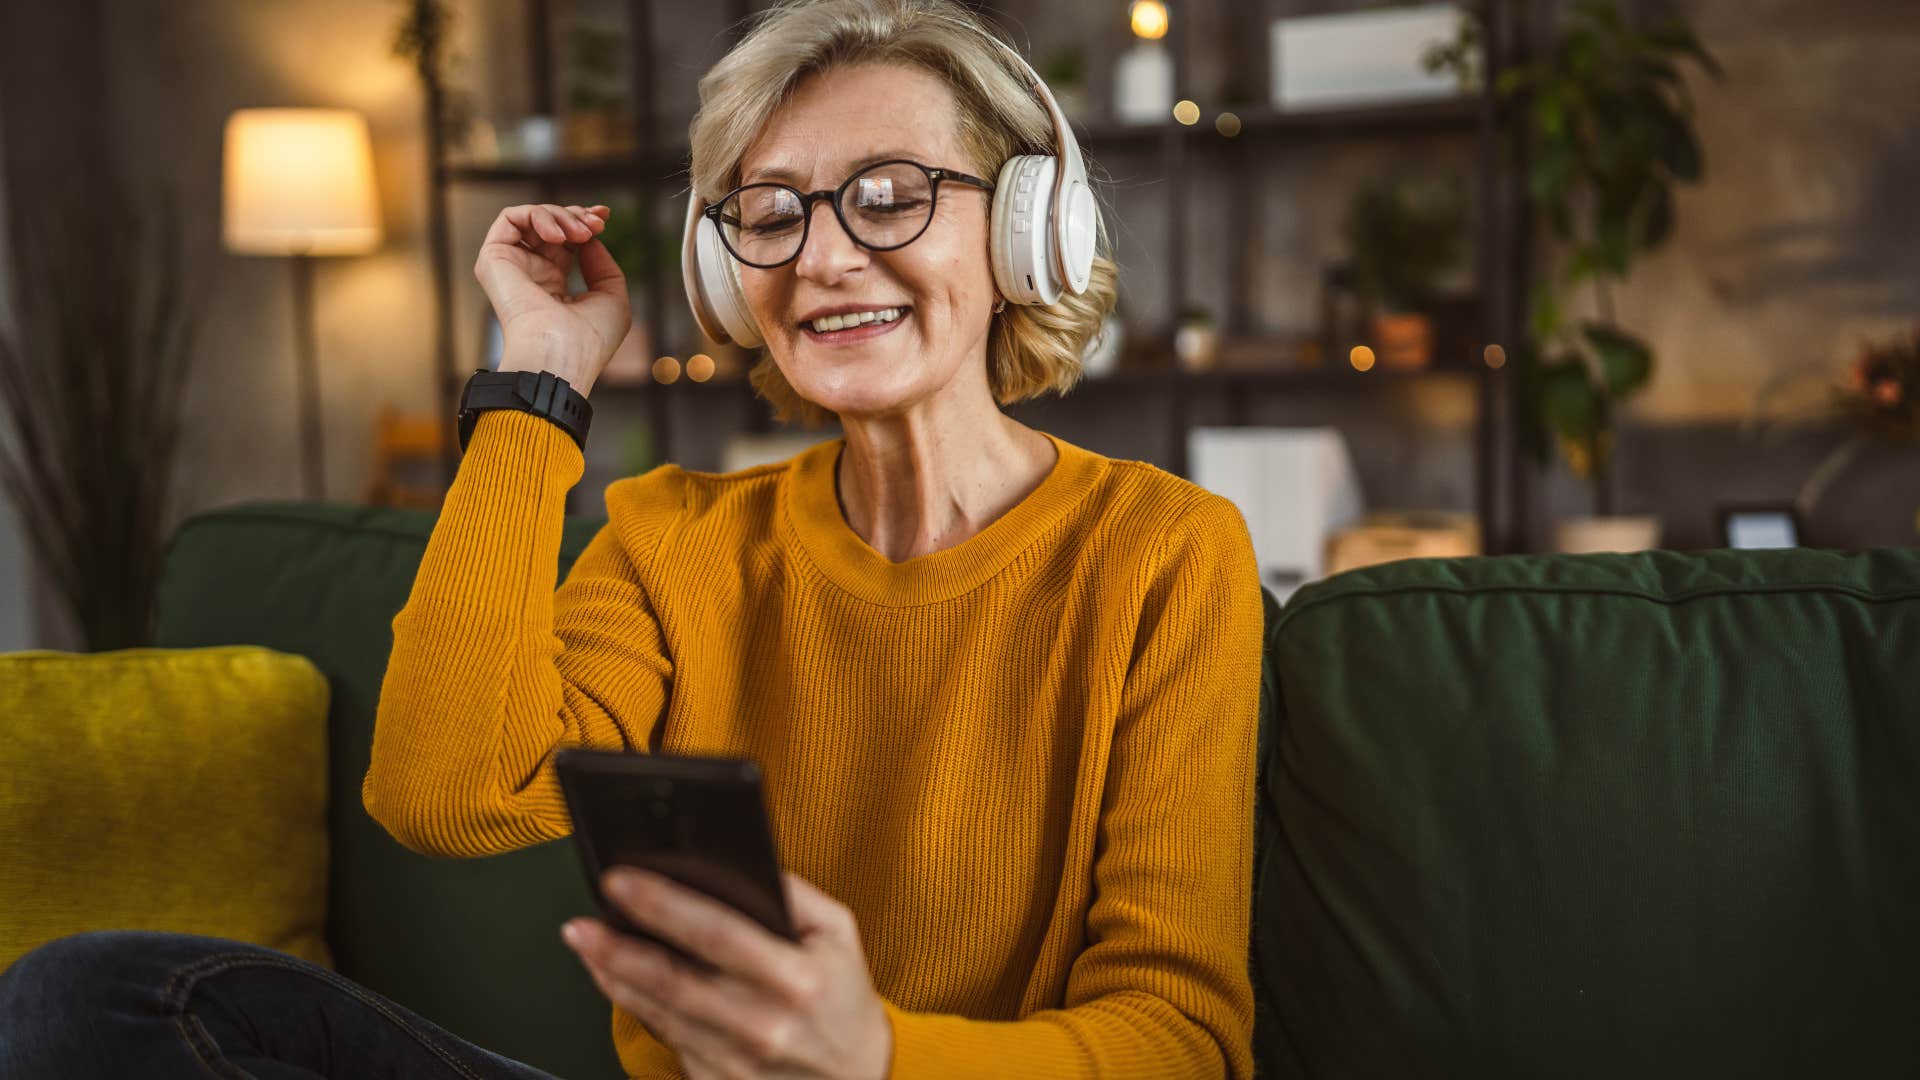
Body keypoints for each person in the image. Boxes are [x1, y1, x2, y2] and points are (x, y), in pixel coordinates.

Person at [0, 0, 1262, 1076]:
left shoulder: (1163, 552)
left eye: (888, 197)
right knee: (94, 998)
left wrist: (872, 1056)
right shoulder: (675, 540)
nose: (822, 256)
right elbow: (442, 790)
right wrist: (540, 381)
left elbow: (1182, 1035)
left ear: (1028, 230)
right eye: (770, 215)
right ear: (729, 279)